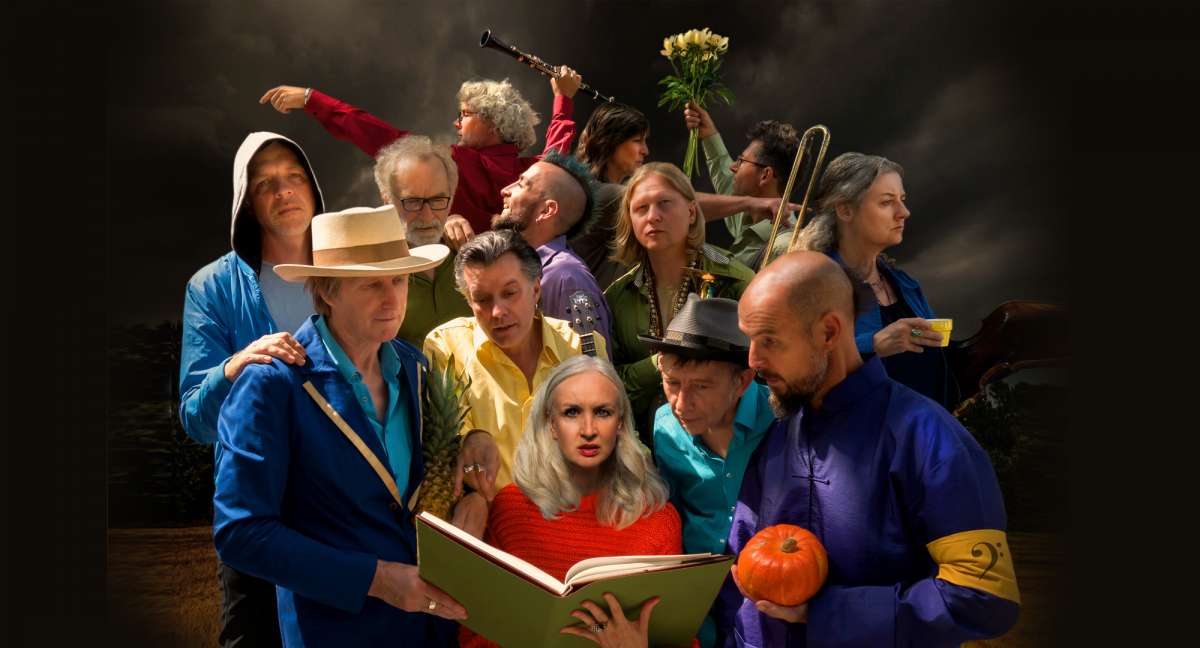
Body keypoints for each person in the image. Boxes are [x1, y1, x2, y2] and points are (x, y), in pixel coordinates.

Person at [716, 251, 1020, 647]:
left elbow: (984, 596)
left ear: (828, 332)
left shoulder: (931, 439)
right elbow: (740, 572)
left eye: (769, 340)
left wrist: (825, 613)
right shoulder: (776, 439)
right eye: (750, 340)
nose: (753, 360)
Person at [213, 205, 469, 646]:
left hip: (430, 630)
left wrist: (473, 443)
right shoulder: (272, 383)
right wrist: (377, 580)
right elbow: (240, 533)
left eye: (399, 280)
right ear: (328, 290)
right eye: (372, 284)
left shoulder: (415, 367)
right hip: (333, 632)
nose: (392, 299)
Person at [179, 131, 327, 647]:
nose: (284, 191)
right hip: (256, 507)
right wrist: (237, 365)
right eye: (265, 183)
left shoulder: (349, 272)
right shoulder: (211, 287)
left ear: (313, 188)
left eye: (294, 177)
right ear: (246, 201)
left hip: (338, 503)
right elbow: (195, 418)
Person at [459, 355, 686, 648]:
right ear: (551, 424)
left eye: (603, 412)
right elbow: (477, 632)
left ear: (620, 423)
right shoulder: (510, 509)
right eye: (572, 412)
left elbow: (680, 637)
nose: (588, 430)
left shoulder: (658, 520)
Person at [422, 230, 607, 534]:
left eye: (510, 293)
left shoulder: (582, 347)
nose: (497, 312)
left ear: (536, 289)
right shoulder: (446, 347)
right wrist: (472, 451)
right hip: (491, 535)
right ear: (468, 301)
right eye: (482, 299)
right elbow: (448, 445)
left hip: (575, 529)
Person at [260, 70, 582, 244]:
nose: (456, 123)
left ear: (493, 122)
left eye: (464, 114)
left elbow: (378, 135)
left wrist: (312, 99)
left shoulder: (452, 160)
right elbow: (557, 151)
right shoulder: (533, 174)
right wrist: (562, 99)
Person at [641, 295, 773, 648]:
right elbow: (672, 510)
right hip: (700, 595)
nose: (682, 404)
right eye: (672, 383)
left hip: (768, 593)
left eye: (702, 386)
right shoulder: (665, 426)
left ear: (742, 381)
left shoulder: (780, 419)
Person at [603, 163, 755, 443]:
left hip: (731, 443)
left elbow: (761, 372)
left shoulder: (737, 282)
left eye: (664, 203)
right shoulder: (617, 297)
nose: (653, 216)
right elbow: (610, 385)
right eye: (641, 208)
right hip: (645, 446)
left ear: (692, 211)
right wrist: (661, 362)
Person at [794, 152, 959, 410]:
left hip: (922, 430)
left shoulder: (906, 285)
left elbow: (935, 359)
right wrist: (873, 345)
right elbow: (799, 365)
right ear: (845, 210)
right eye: (887, 202)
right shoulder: (813, 282)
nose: (904, 212)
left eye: (902, 200)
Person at [495, 148, 613, 352]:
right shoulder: (522, 266)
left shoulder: (568, 278)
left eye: (521, 184)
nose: (505, 190)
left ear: (546, 210)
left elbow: (592, 363)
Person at [371, 135, 472, 346]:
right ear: (386, 199)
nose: (426, 216)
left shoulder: (471, 253)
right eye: (413, 202)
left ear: (452, 196)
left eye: (437, 200)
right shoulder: (370, 269)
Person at [683, 104, 801, 268]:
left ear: (765, 175)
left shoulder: (784, 248)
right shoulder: (749, 213)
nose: (733, 167)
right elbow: (724, 174)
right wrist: (709, 134)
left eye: (741, 161)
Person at [570, 101, 651, 289]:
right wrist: (730, 203)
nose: (645, 150)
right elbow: (672, 203)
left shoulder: (586, 185)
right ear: (610, 141)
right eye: (637, 141)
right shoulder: (602, 194)